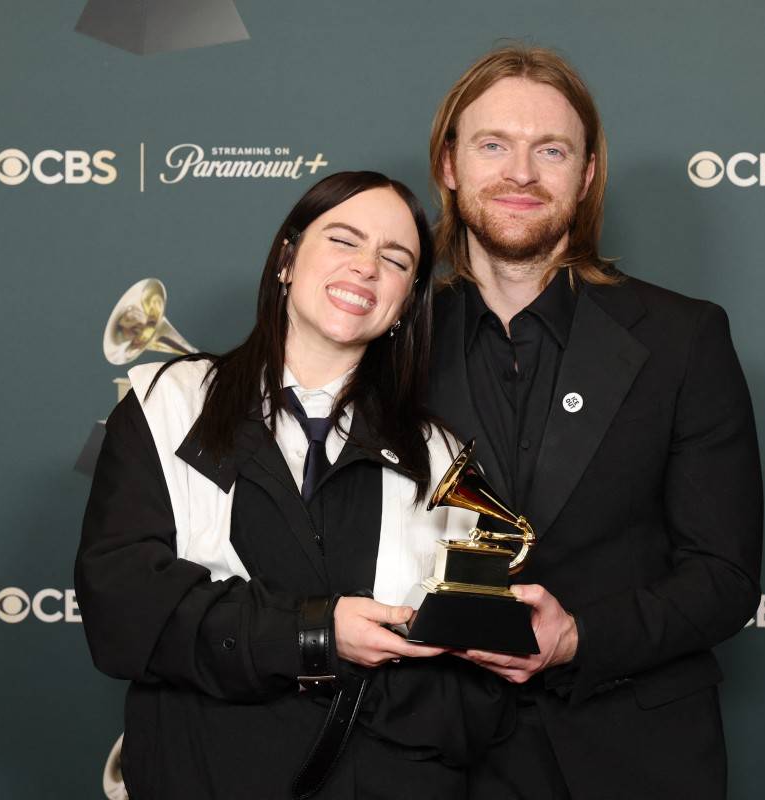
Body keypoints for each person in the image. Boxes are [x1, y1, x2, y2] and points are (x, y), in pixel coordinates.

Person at [75, 171, 513, 800]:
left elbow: (477, 684)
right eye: (343, 240)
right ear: (287, 258)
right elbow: (123, 606)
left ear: (406, 301)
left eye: (394, 259)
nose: (365, 268)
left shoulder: (441, 458)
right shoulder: (163, 402)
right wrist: (313, 636)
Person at [424, 46, 765, 798]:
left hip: (635, 755)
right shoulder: (388, 342)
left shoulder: (684, 339)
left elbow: (725, 577)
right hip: (432, 755)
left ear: (585, 176)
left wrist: (579, 636)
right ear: (449, 166)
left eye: (551, 149)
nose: (520, 173)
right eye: (493, 145)